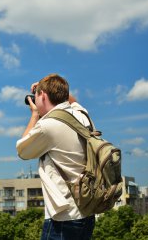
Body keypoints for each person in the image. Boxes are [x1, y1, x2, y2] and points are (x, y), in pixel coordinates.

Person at [16, 73, 95, 240]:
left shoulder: (48, 126)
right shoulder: (82, 115)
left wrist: (35, 115)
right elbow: (71, 101)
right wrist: (50, 88)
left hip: (63, 218)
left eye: (37, 95)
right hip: (87, 212)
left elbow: (22, 150)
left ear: (43, 96)